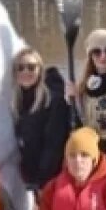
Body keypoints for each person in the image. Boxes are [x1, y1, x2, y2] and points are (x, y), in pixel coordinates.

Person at [11, 47, 72, 196]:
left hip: (51, 178)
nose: (26, 72)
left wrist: (43, 181)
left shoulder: (53, 101)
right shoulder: (17, 101)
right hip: (33, 178)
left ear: (40, 70)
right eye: (20, 68)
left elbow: (54, 145)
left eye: (31, 67)